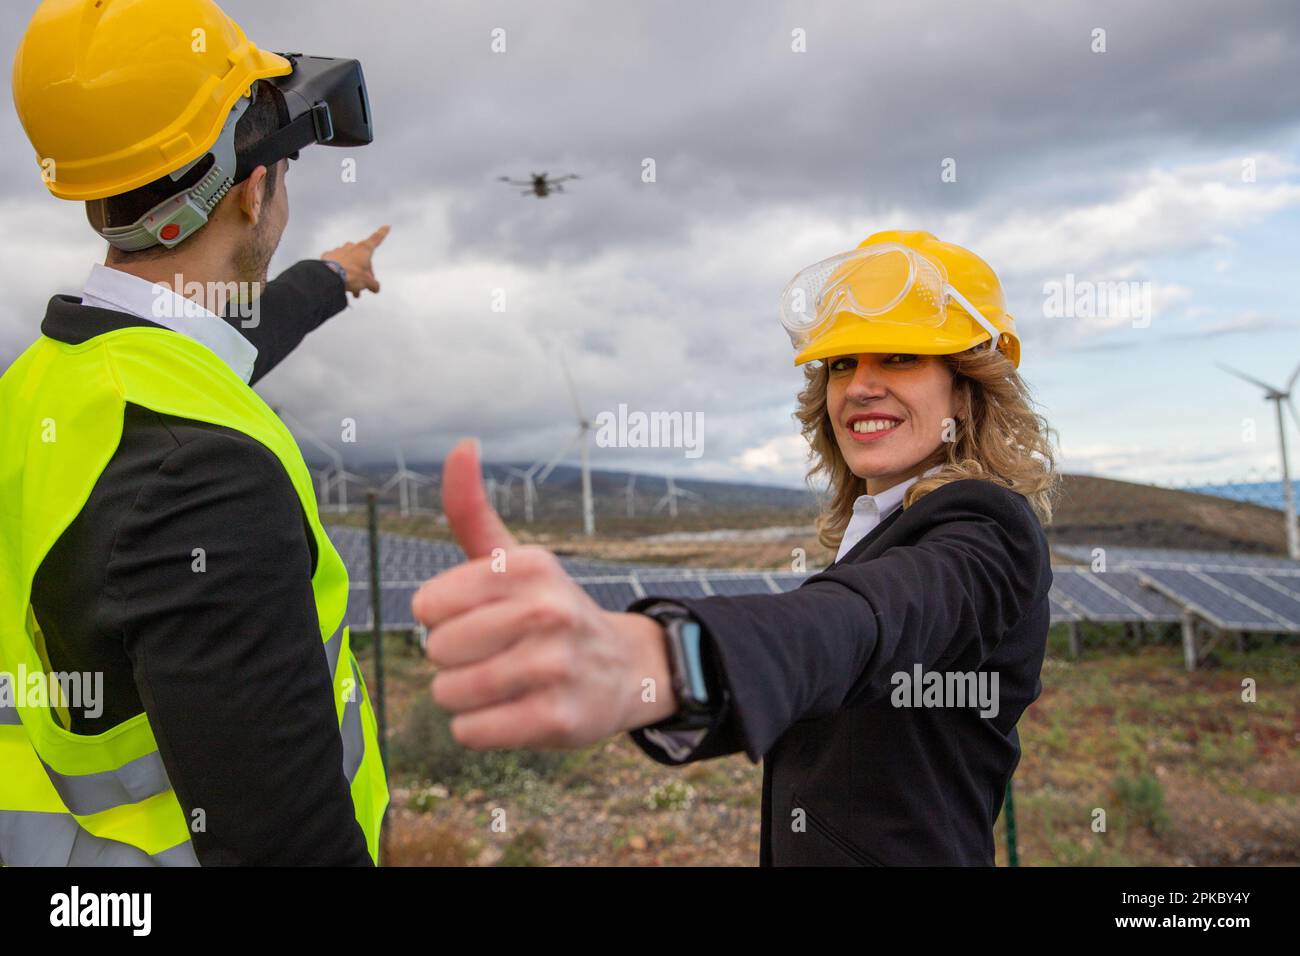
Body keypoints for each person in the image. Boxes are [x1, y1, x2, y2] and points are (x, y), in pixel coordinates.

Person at [413, 230, 1060, 865]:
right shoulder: (883, 528)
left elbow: (863, 622)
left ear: (968, 387)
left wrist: (670, 658)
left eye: (898, 357)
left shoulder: (989, 531)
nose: (859, 385)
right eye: (841, 364)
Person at [0, 0, 389, 865]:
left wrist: (334, 275)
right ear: (258, 191)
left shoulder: (50, 386)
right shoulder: (202, 477)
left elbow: (227, 346)